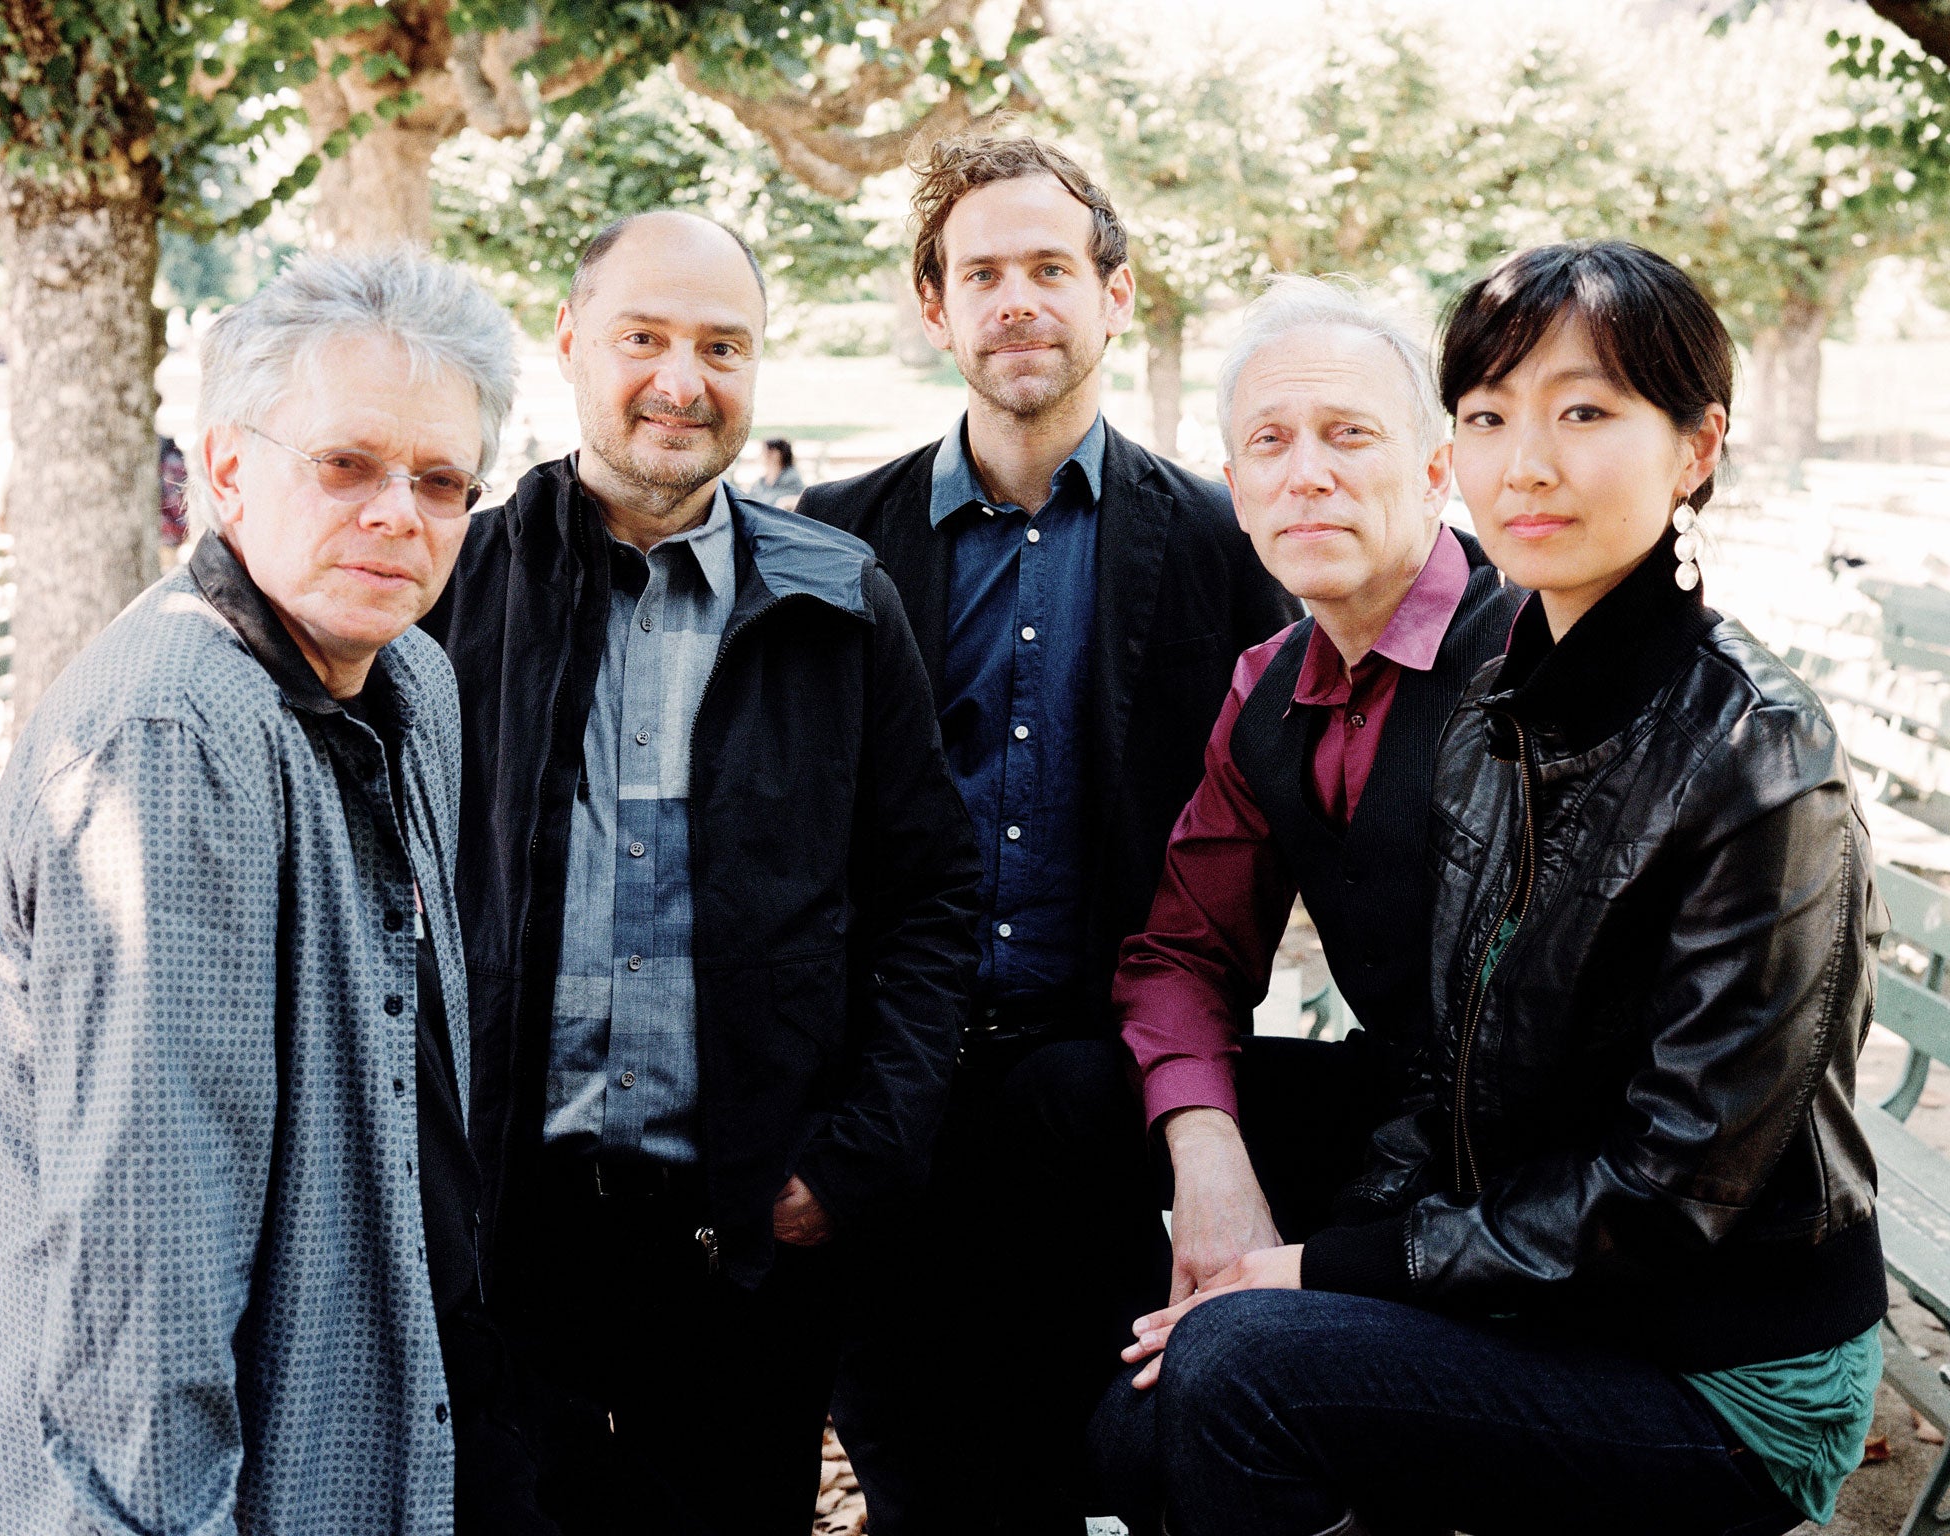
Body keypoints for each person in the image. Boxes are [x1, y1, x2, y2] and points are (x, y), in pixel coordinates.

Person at [1094, 239, 1887, 1536]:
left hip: (1717, 1361)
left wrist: (1313, 1270)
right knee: (1145, 1405)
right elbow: (1460, 1067)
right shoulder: (1516, 698)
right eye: (1492, 416)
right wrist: (1267, 1228)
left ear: (1695, 449)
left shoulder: (1757, 754)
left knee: (1232, 1377)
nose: (1528, 460)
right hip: (1539, 1262)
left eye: (1586, 411)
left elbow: (1671, 1189)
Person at [0, 250, 557, 1535]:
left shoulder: (413, 686)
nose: (400, 512)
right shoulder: (175, 734)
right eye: (346, 464)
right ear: (226, 472)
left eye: (442, 480)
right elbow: (146, 1264)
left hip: (400, 1418)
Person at [418, 209, 980, 1536]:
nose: (683, 378)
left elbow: (932, 897)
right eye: (645, 337)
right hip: (508, 1231)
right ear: (569, 342)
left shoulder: (841, 602)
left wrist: (849, 1166)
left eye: (722, 346)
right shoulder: (455, 583)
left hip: (743, 1239)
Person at [798, 133, 1300, 1534]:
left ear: (1113, 295)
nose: (1017, 299)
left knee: (1096, 1469)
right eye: (982, 273)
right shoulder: (829, 543)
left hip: (1099, 1109)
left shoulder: (1224, 544)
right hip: (884, 1103)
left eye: (1048, 268)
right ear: (933, 305)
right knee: (922, 1486)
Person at [1099, 276, 1525, 1337]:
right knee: (1057, 1100)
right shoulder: (1264, 687)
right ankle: (1132, 1369)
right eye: (1270, 445)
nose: (1307, 477)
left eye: (1348, 434)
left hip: (1534, 1170)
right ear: (1237, 494)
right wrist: (1207, 1154)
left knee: (1222, 1392)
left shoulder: (1530, 661)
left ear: (1434, 475)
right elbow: (1182, 951)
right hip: (1391, 1106)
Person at [749, 436, 806, 506]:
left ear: (776, 454)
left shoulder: (791, 478)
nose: (761, 455)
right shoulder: (761, 482)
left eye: (765, 451)